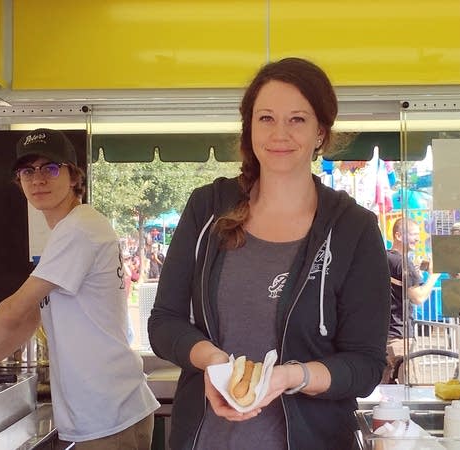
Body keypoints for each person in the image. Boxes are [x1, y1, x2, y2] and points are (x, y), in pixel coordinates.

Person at [148, 58, 391, 450]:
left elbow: (364, 365)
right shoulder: (207, 208)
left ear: (320, 133)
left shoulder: (353, 229)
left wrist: (290, 376)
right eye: (266, 118)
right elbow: (164, 322)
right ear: (250, 129)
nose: (280, 133)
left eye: (297, 119)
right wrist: (214, 363)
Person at [0, 128, 159, 448]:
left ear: (74, 177)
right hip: (108, 410)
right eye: (27, 171)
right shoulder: (73, 229)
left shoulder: (78, 229)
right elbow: (28, 320)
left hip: (108, 414)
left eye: (50, 168)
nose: (38, 180)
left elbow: (13, 309)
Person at [382, 217, 440, 384]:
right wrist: (434, 275)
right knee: (410, 390)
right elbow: (418, 297)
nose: (417, 239)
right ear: (399, 236)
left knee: (384, 394)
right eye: (414, 234)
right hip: (400, 337)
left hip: (385, 336)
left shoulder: (386, 258)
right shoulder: (402, 263)